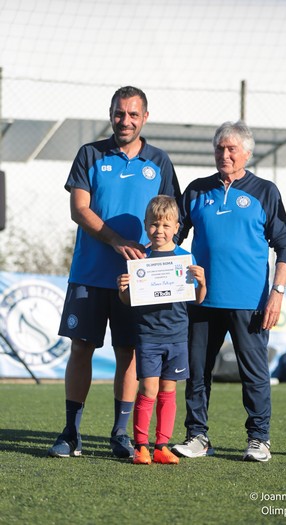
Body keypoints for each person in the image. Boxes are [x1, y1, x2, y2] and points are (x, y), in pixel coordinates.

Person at [48, 86, 180, 458]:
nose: (125, 121)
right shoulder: (90, 154)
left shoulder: (160, 161)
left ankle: (120, 434)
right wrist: (116, 240)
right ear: (111, 114)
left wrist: (166, 257)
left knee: (130, 354)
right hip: (90, 273)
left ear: (145, 118)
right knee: (81, 349)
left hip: (138, 281)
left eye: (133, 115)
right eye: (119, 114)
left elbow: (173, 219)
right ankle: (71, 433)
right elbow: (79, 208)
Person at [171, 120, 286, 462]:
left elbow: (285, 247)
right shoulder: (196, 190)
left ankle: (259, 439)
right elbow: (172, 237)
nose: (224, 155)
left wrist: (277, 292)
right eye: (219, 149)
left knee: (254, 373)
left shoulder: (265, 191)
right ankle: (197, 435)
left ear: (247, 154)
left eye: (231, 149)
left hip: (250, 302)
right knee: (197, 371)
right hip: (201, 298)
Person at [117, 195, 206, 464]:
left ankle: (162, 446)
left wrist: (201, 283)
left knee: (169, 390)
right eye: (155, 225)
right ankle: (141, 446)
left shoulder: (185, 258)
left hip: (177, 335)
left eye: (166, 225)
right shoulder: (140, 259)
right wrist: (123, 290)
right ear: (146, 225)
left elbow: (198, 299)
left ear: (177, 227)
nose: (160, 231)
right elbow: (130, 300)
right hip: (148, 335)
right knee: (148, 389)